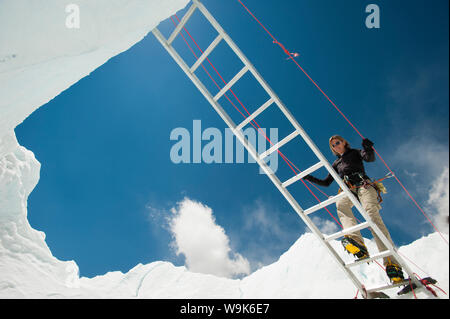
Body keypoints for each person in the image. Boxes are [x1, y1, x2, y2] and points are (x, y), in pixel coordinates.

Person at [303, 135, 404, 283]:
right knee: (341, 204)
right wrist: (310, 178)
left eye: (338, 142)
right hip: (349, 190)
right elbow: (326, 182)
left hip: (364, 185)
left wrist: (368, 148)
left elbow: (369, 158)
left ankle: (391, 262)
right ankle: (357, 242)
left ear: (344, 142)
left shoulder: (355, 152)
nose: (336, 146)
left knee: (372, 215)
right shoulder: (336, 163)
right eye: (333, 145)